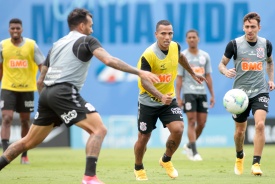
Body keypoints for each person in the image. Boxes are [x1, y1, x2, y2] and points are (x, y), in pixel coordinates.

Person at [0, 8, 159, 184]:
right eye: (90, 25)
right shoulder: (87, 40)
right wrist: (139, 72)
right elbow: (109, 60)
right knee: (99, 129)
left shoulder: (57, 44)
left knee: (27, 142)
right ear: (82, 25)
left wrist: (49, 102)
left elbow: (40, 80)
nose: (92, 28)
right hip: (64, 91)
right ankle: (89, 177)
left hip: (47, 94)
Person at [133, 20, 206, 181]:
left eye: (170, 33)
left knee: (179, 128)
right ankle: (138, 167)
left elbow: (180, 57)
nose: (167, 37)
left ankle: (166, 160)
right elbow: (144, 80)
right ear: (156, 35)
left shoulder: (175, 46)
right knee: (143, 138)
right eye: (163, 33)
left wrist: (193, 73)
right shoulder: (148, 55)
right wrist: (159, 96)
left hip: (168, 99)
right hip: (148, 101)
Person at [218, 12, 275, 176]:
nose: (250, 30)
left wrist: (271, 80)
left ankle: (256, 164)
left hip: (260, 90)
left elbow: (270, 63)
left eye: (253, 27)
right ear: (243, 27)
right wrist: (225, 71)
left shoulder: (266, 44)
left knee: (260, 125)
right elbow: (221, 64)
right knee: (240, 132)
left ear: (259, 28)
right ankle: (239, 156)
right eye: (247, 27)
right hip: (239, 96)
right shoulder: (234, 44)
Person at [0, 18, 44, 164]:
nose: (15, 31)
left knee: (25, 121)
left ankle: (24, 155)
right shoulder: (3, 46)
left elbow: (42, 65)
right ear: (9, 30)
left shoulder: (31, 45)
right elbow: (0, 67)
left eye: (17, 28)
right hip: (8, 88)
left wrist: (43, 81)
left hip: (27, 89)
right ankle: (6, 152)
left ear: (22, 29)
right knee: (6, 118)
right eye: (12, 28)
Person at [176, 29, 215, 161]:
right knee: (191, 121)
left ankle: (188, 145)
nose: (192, 39)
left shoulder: (205, 56)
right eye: (189, 37)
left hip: (202, 93)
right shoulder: (183, 56)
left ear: (198, 39)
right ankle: (194, 151)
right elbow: (179, 78)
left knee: (202, 123)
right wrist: (179, 97)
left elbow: (208, 76)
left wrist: (212, 95)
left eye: (194, 37)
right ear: (186, 40)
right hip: (189, 92)